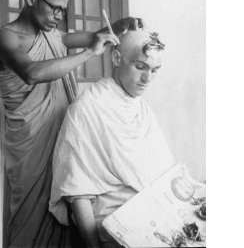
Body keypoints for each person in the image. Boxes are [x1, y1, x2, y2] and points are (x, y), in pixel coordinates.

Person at [0, 0, 142, 248]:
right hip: (31, 145)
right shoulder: (4, 38)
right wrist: (89, 54)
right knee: (30, 220)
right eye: (54, 7)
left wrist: (120, 26)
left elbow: (95, 36)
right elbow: (32, 73)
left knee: (70, 206)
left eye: (63, 9)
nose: (59, 15)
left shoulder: (54, 36)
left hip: (64, 135)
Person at [49, 29, 176, 248]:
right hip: (113, 225)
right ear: (117, 58)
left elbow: (163, 172)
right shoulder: (87, 109)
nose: (147, 79)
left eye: (155, 70)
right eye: (140, 67)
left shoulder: (141, 107)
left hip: (152, 216)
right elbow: (78, 192)